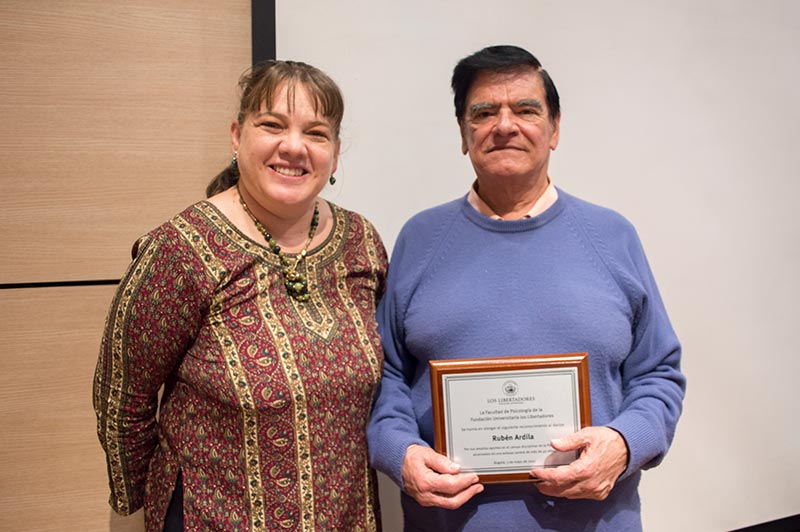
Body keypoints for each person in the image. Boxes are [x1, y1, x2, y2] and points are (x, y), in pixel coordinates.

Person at [367, 45, 686, 531]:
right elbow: (386, 376)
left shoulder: (612, 237)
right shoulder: (420, 239)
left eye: (525, 110)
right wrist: (401, 454)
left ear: (554, 129)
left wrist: (624, 445)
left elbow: (658, 374)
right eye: (483, 113)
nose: (504, 125)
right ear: (463, 134)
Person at [93, 60, 388, 532]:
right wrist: (137, 510)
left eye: (316, 133)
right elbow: (123, 400)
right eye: (272, 125)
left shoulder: (361, 241)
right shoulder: (181, 250)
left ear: (334, 154)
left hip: (348, 518)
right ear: (237, 136)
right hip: (214, 517)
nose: (293, 147)